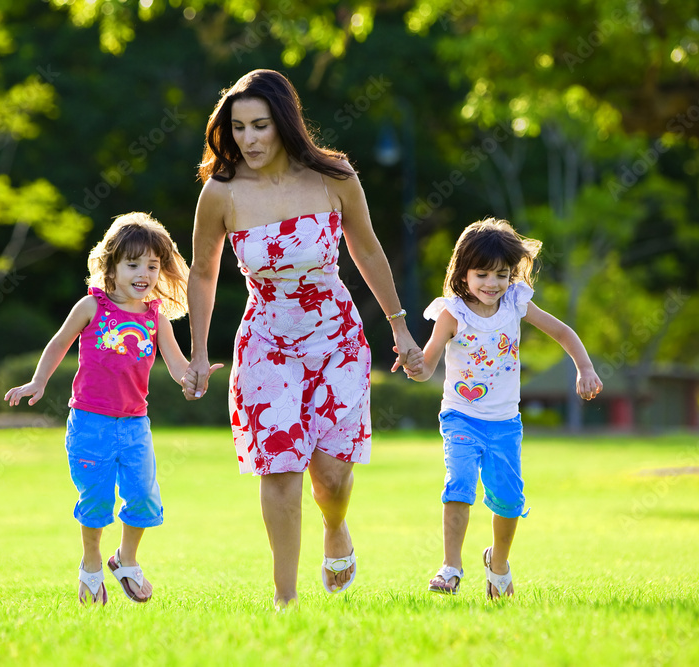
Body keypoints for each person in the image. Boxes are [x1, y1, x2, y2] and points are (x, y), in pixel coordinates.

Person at [183, 69, 423, 609]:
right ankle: (285, 599)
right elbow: (202, 273)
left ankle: (335, 527)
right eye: (238, 127)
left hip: (336, 339)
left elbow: (368, 250)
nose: (249, 139)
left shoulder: (333, 177)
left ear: (285, 123)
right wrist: (198, 354)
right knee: (282, 466)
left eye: (260, 125)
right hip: (266, 343)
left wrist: (401, 328)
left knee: (333, 478)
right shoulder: (221, 193)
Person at [4, 212, 221, 605]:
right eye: (133, 264)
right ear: (112, 266)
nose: (144, 273)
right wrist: (38, 381)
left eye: (152, 266)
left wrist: (193, 377)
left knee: (143, 498)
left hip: (135, 425)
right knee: (97, 500)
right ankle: (90, 566)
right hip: (90, 424)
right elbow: (58, 343)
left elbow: (174, 365)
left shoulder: (156, 318)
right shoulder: (92, 306)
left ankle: (125, 559)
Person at [402, 218, 602, 599]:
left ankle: (498, 565)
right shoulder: (452, 313)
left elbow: (563, 332)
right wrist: (414, 364)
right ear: (463, 272)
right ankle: (451, 566)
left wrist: (585, 368)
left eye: (502, 274)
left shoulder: (516, 303)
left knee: (509, 501)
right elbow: (427, 367)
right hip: (460, 416)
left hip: (505, 423)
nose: (492, 284)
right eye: (482, 274)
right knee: (459, 485)